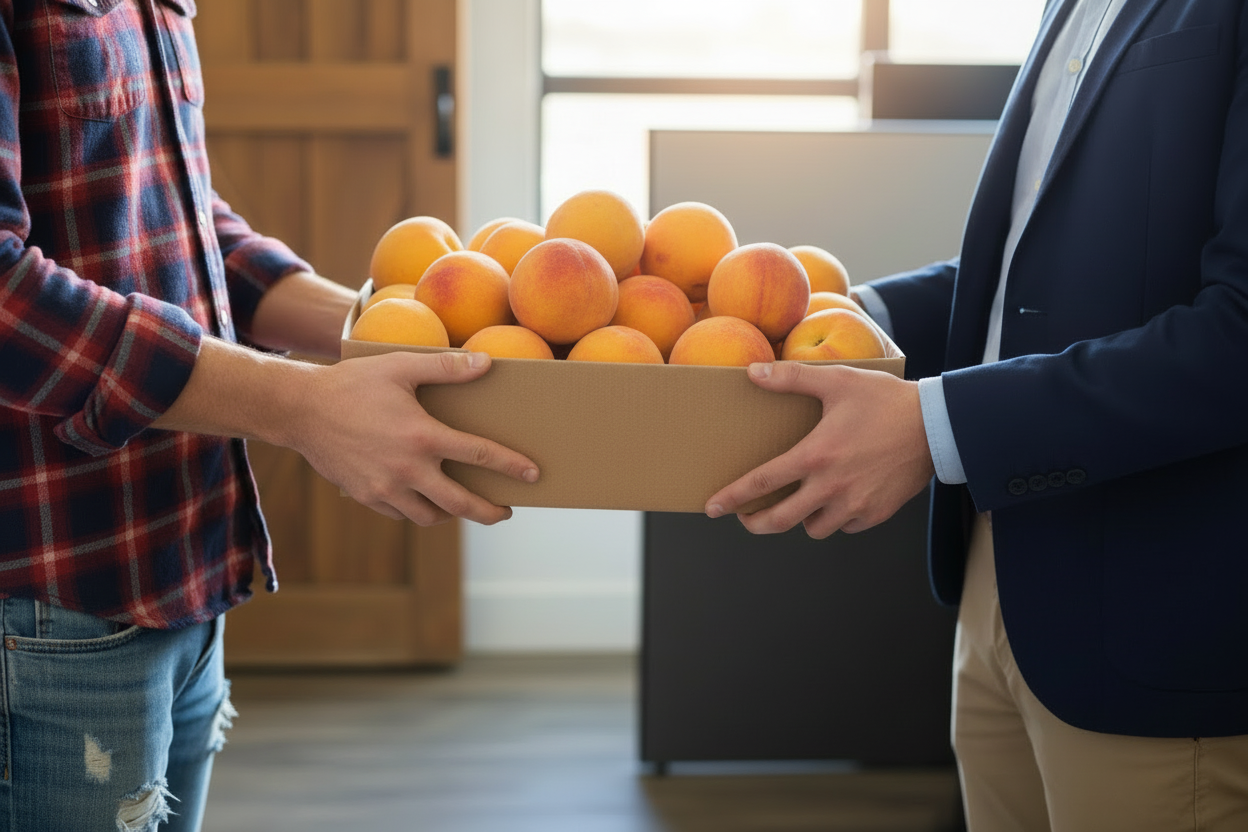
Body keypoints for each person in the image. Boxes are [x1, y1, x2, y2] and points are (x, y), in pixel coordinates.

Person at [706, 0, 1248, 829]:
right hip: (1004, 574)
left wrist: (938, 427)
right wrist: (853, 317)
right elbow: (1036, 270)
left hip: (1158, 609)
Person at [0, 2, 534, 830]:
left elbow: (166, 208)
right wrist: (305, 406)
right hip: (47, 606)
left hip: (176, 564)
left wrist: (387, 326)